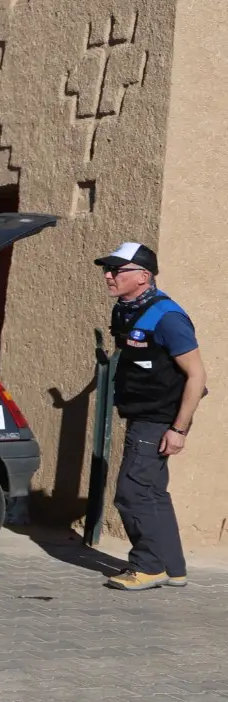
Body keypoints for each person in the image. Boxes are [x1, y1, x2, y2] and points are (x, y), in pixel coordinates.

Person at [98, 242, 205, 590]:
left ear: (144, 276)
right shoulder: (125, 310)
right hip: (141, 414)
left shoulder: (168, 318)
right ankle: (173, 568)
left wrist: (179, 429)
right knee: (153, 493)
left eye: (118, 270)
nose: (109, 275)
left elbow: (197, 376)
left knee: (132, 492)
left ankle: (149, 567)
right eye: (108, 269)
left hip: (159, 419)